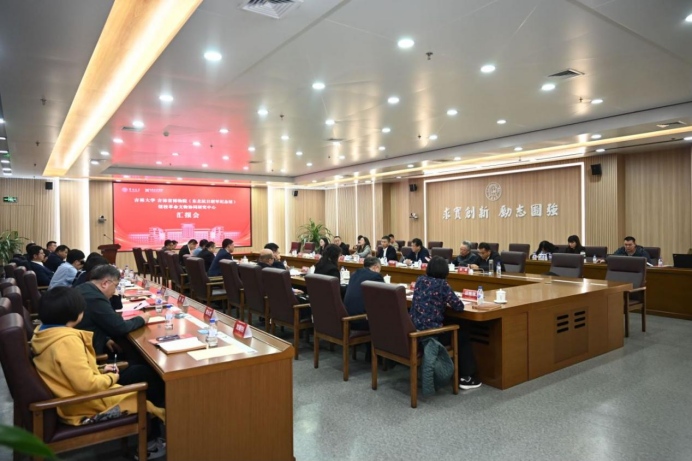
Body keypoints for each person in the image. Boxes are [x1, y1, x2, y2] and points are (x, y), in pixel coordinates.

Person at [31, 287, 166, 457]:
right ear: (75, 314)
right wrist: (111, 377)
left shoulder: (44, 333)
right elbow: (86, 385)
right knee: (147, 380)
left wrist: (101, 369)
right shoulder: (67, 341)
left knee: (138, 369)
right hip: (83, 405)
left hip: (69, 396)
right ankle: (151, 442)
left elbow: (69, 370)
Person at [409, 256, 480, 390]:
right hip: (431, 334)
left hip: (415, 330)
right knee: (462, 335)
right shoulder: (442, 284)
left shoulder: (420, 280)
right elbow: (459, 306)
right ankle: (467, 377)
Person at [75, 265, 150, 355]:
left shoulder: (84, 288)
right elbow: (120, 327)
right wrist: (141, 319)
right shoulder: (96, 299)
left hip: (83, 344)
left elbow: (92, 323)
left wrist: (105, 339)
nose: (115, 291)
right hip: (88, 355)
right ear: (105, 283)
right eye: (116, 286)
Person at [343, 256, 384, 330]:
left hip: (347, 318)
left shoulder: (354, 274)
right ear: (376, 267)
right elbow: (385, 297)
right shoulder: (376, 276)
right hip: (361, 320)